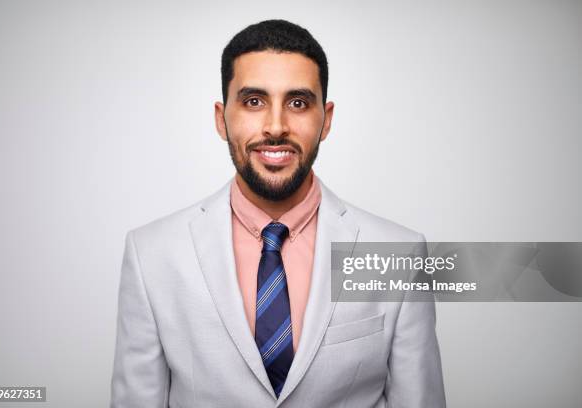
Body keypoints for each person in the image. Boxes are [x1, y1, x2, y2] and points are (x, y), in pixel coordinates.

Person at [110, 19, 446, 408]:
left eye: (298, 103)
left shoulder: (398, 255)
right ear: (221, 118)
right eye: (254, 101)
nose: (275, 127)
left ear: (327, 119)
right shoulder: (151, 254)